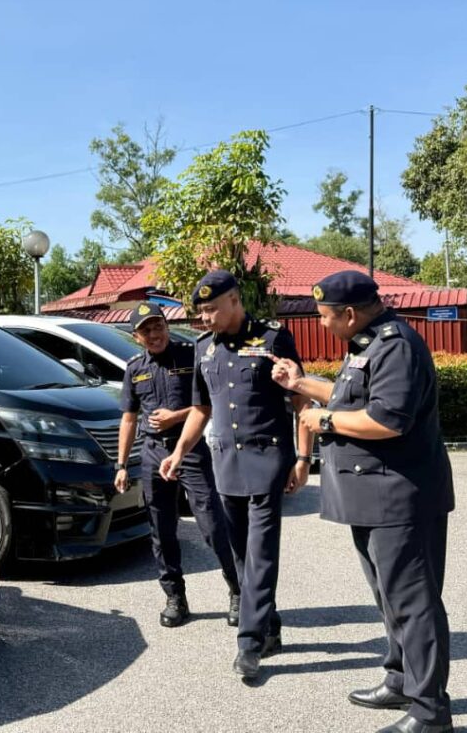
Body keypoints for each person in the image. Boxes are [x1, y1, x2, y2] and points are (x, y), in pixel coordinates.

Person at [270, 270, 454, 733]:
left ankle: (431, 711)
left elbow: (387, 420)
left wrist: (322, 421)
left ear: (349, 314)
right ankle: (400, 680)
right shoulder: (369, 345)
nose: (323, 323)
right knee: (389, 598)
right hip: (373, 497)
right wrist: (301, 381)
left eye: (325, 317)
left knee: (414, 604)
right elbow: (351, 395)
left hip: (400, 499)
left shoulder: (396, 346)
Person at [160, 271, 312, 680]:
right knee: (242, 554)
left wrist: (303, 458)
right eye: (201, 311)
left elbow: (299, 398)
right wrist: (178, 453)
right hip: (225, 465)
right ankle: (270, 624)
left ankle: (249, 643)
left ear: (234, 300)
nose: (205, 317)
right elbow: (201, 409)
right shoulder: (203, 349)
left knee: (261, 554)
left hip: (267, 463)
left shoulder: (272, 339)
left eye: (211, 308)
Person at [116, 302, 240, 628]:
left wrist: (176, 416)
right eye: (147, 330)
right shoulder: (134, 368)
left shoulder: (190, 355)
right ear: (137, 336)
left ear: (166, 328)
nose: (154, 334)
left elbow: (209, 403)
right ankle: (175, 597)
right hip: (153, 454)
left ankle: (238, 590)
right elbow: (129, 419)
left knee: (213, 525)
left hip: (192, 452)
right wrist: (121, 464)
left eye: (158, 327)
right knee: (162, 531)